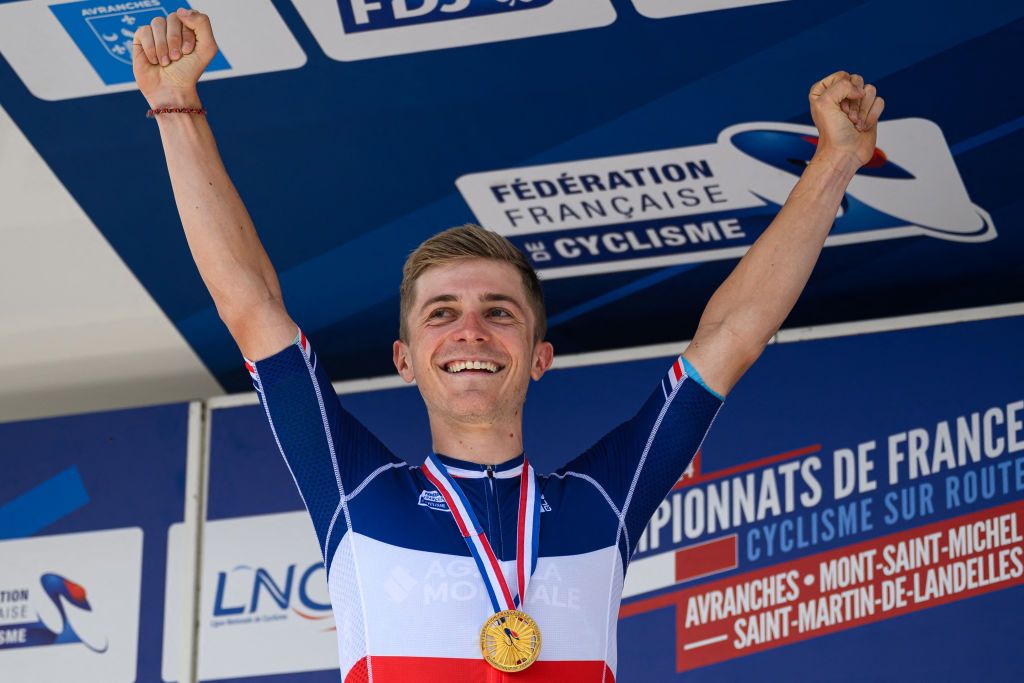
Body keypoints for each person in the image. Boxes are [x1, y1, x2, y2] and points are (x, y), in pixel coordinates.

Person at [134, 8, 884, 681]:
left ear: (539, 355)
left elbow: (735, 333)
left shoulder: (603, 501)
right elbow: (251, 306)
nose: (469, 330)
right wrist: (175, 108)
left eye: (499, 312)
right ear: (403, 359)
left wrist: (833, 161)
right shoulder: (355, 493)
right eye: (440, 314)